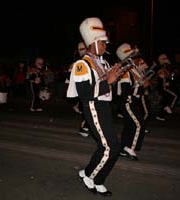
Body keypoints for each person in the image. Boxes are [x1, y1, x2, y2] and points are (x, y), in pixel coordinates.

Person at [67, 17, 123, 196]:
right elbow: (84, 93)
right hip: (93, 107)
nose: (106, 45)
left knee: (106, 145)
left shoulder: (103, 62)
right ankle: (92, 177)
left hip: (104, 107)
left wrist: (114, 76)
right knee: (111, 147)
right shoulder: (82, 65)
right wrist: (109, 82)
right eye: (103, 42)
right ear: (93, 43)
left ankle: (90, 174)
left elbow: (104, 85)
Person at [116, 43, 150, 161]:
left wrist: (142, 85)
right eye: (133, 56)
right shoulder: (126, 71)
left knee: (130, 125)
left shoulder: (133, 69)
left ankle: (123, 148)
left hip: (132, 101)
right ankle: (130, 147)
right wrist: (140, 86)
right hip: (127, 102)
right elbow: (126, 90)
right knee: (138, 124)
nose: (136, 59)